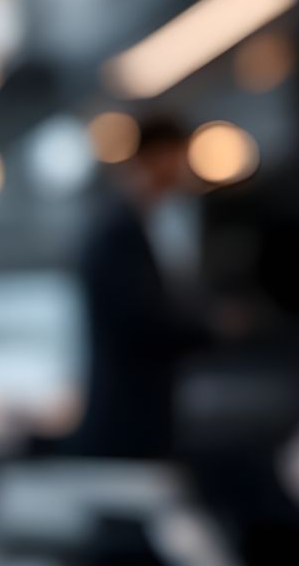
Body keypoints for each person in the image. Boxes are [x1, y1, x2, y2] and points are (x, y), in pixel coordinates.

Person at [71, 116, 205, 458]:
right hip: (127, 416)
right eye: (180, 156)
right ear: (160, 155)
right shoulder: (119, 231)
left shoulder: (137, 224)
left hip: (136, 412)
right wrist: (212, 329)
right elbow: (136, 320)